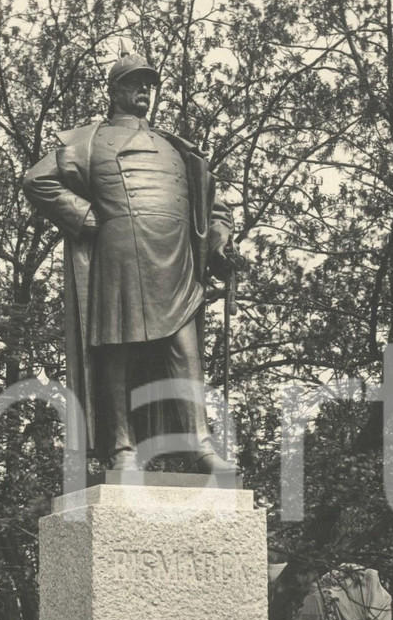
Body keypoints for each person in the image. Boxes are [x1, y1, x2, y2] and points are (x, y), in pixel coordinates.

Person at [23, 53, 236, 472]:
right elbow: (37, 180)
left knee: (185, 350)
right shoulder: (86, 141)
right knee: (116, 348)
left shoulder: (178, 149)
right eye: (134, 83)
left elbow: (214, 207)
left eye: (149, 84)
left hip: (177, 263)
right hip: (118, 253)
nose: (144, 91)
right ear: (114, 90)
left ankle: (200, 446)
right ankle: (121, 446)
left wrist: (219, 242)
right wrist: (84, 216)